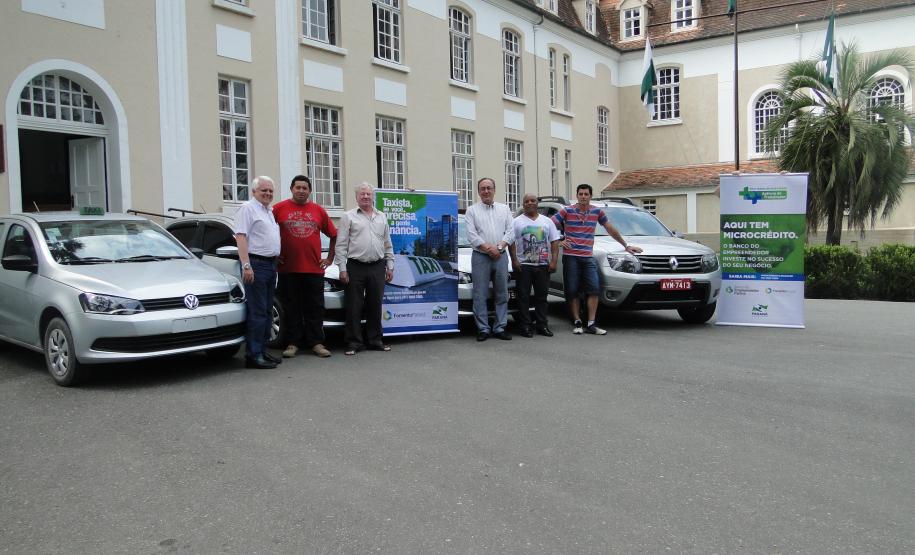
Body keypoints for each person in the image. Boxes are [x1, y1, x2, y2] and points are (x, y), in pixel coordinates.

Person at [551, 183, 642, 335]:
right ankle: (577, 322)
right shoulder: (567, 211)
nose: (583, 197)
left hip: (588, 257)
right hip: (571, 257)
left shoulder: (596, 212)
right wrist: (559, 240)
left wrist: (626, 245)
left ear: (590, 196)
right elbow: (548, 224)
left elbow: (610, 228)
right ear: (577, 195)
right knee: (572, 291)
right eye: (581, 194)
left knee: (594, 289)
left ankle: (592, 323)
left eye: (586, 194)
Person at [273, 175, 337, 359]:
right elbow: (265, 231)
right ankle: (293, 343)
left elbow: (334, 234)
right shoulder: (279, 209)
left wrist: (330, 258)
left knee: (315, 307)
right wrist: (273, 254)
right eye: (298, 187)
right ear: (291, 189)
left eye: (305, 188)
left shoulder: (318, 211)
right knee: (291, 307)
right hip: (288, 269)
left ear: (310, 191)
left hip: (314, 269)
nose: (301, 191)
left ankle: (316, 342)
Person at [334, 182, 395, 356]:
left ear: (373, 196)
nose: (366, 197)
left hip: (377, 265)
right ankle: (354, 342)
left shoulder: (382, 216)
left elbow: (387, 243)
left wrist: (390, 265)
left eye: (368, 194)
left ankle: (375, 340)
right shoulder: (348, 216)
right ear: (357, 197)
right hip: (355, 266)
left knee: (375, 304)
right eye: (362, 194)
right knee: (354, 305)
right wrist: (342, 268)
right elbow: (341, 244)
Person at [233, 176, 282, 368]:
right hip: (256, 264)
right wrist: (246, 265)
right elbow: (241, 237)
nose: (268, 194)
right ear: (254, 191)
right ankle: (253, 355)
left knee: (268, 311)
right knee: (258, 312)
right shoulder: (248, 208)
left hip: (270, 265)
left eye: (270, 191)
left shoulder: (268, 211)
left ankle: (262, 350)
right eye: (264, 190)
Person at [465, 177, 514, 341]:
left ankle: (500, 327)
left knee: (502, 293)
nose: (486, 191)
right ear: (478, 192)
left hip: (500, 256)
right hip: (480, 256)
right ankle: (483, 329)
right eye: (482, 188)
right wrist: (488, 248)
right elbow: (472, 236)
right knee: (480, 294)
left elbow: (510, 232)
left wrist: (499, 247)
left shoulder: (505, 209)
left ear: (494, 190)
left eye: (489, 188)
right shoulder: (471, 210)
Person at [509, 193, 560, 338]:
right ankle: (525, 326)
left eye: (533, 200)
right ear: (523, 204)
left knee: (542, 297)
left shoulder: (547, 221)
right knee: (523, 297)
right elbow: (511, 242)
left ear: (537, 203)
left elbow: (554, 242)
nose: (530, 203)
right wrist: (514, 260)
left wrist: (554, 260)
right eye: (526, 201)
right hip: (523, 265)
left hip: (543, 265)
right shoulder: (516, 221)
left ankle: (542, 325)